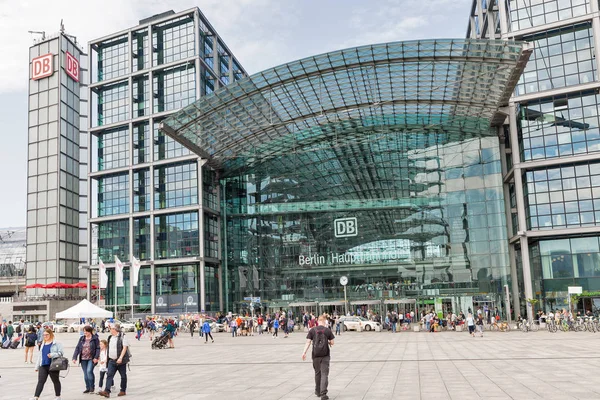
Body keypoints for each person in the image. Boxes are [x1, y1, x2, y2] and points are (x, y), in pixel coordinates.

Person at [302, 315, 335, 400]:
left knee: (317, 373)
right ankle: (323, 394)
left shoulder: (312, 330)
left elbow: (308, 342)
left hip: (315, 355)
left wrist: (304, 352)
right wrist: (328, 342)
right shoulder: (327, 330)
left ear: (318, 321)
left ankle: (317, 391)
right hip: (325, 355)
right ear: (324, 321)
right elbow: (332, 342)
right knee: (324, 374)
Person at [30, 328, 64, 400]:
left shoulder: (56, 343)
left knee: (55, 380)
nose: (45, 336)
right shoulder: (43, 344)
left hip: (53, 365)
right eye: (44, 335)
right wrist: (37, 366)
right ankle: (36, 396)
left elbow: (61, 353)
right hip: (43, 365)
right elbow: (40, 355)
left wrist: (52, 354)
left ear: (51, 334)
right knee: (41, 381)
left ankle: (58, 396)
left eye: (47, 335)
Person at [98, 323, 129, 398]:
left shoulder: (123, 337)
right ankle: (107, 391)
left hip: (121, 361)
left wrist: (120, 358)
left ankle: (123, 390)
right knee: (109, 375)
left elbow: (125, 348)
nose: (109, 330)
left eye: (110, 328)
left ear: (114, 329)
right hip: (111, 361)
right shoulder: (110, 337)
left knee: (123, 376)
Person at [72, 325, 100, 394]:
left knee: (89, 371)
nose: (85, 333)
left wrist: (96, 357)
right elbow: (78, 348)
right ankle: (87, 387)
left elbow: (98, 348)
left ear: (90, 331)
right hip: (83, 358)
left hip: (91, 358)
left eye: (86, 331)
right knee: (85, 374)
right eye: (84, 331)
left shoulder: (95, 338)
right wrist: (74, 357)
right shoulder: (82, 338)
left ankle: (92, 387)